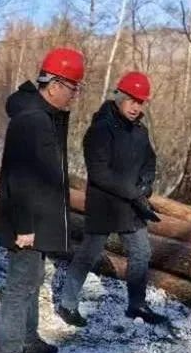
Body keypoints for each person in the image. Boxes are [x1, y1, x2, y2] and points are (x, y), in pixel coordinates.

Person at [0, 47, 85, 353]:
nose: (75, 94)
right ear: (55, 85)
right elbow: (20, 178)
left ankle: (28, 339)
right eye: (73, 87)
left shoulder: (44, 116)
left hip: (39, 221)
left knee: (33, 280)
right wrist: (24, 227)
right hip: (27, 223)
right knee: (19, 288)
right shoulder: (32, 120)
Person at [56, 71, 166, 328]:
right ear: (119, 97)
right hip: (104, 205)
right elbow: (100, 173)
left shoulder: (140, 131)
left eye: (140, 102)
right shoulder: (100, 129)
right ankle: (67, 304)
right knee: (89, 254)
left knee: (141, 252)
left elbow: (150, 162)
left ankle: (137, 304)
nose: (136, 107)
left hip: (132, 207)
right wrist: (134, 192)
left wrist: (146, 184)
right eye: (132, 100)